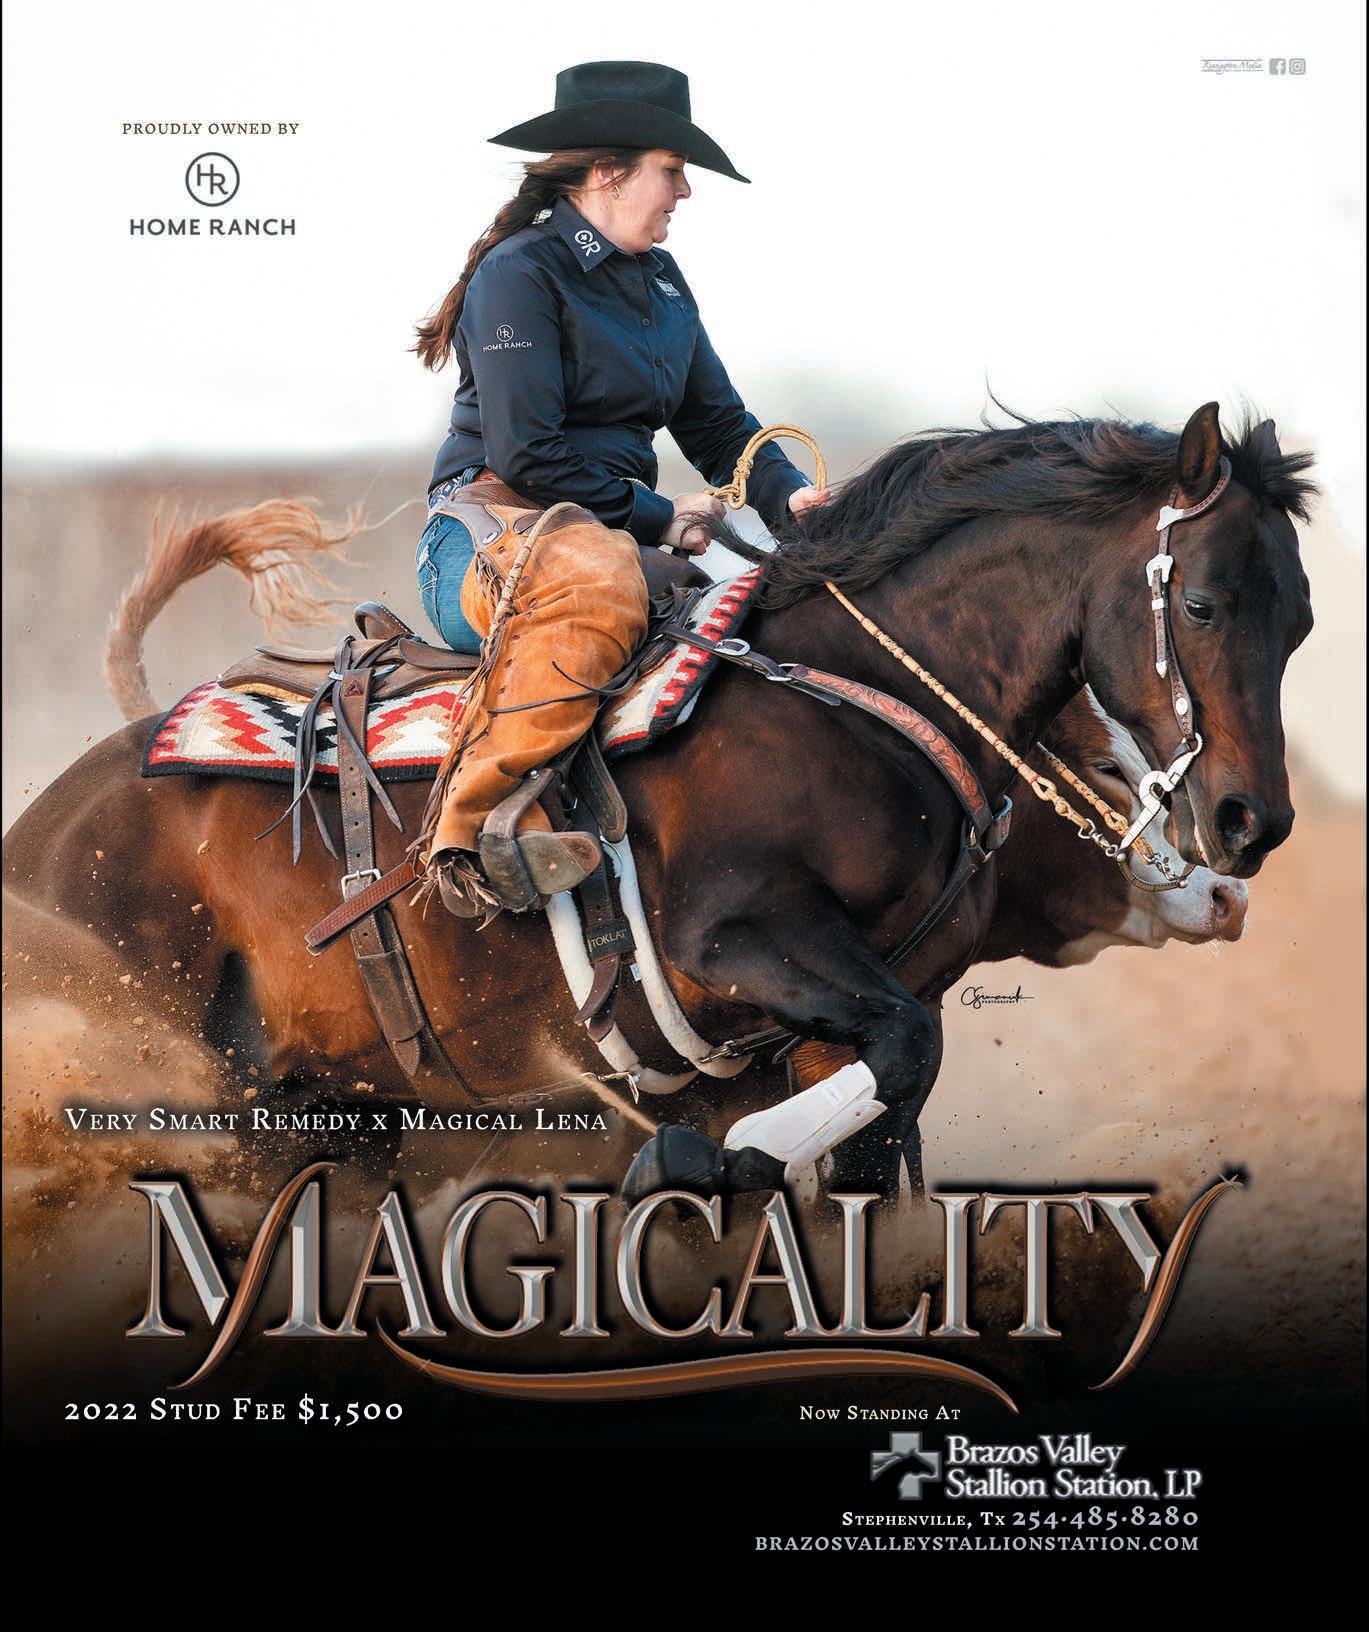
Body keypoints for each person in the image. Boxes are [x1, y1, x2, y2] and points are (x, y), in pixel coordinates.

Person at [413, 60, 830, 917]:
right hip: (484, 535)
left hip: (602, 538)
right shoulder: (520, 273)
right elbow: (526, 452)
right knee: (600, 582)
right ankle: (477, 833)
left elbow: (718, 425)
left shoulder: (662, 282)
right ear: (608, 173)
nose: (684, 191)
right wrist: (658, 516)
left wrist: (789, 499)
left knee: (753, 618)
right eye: (671, 170)